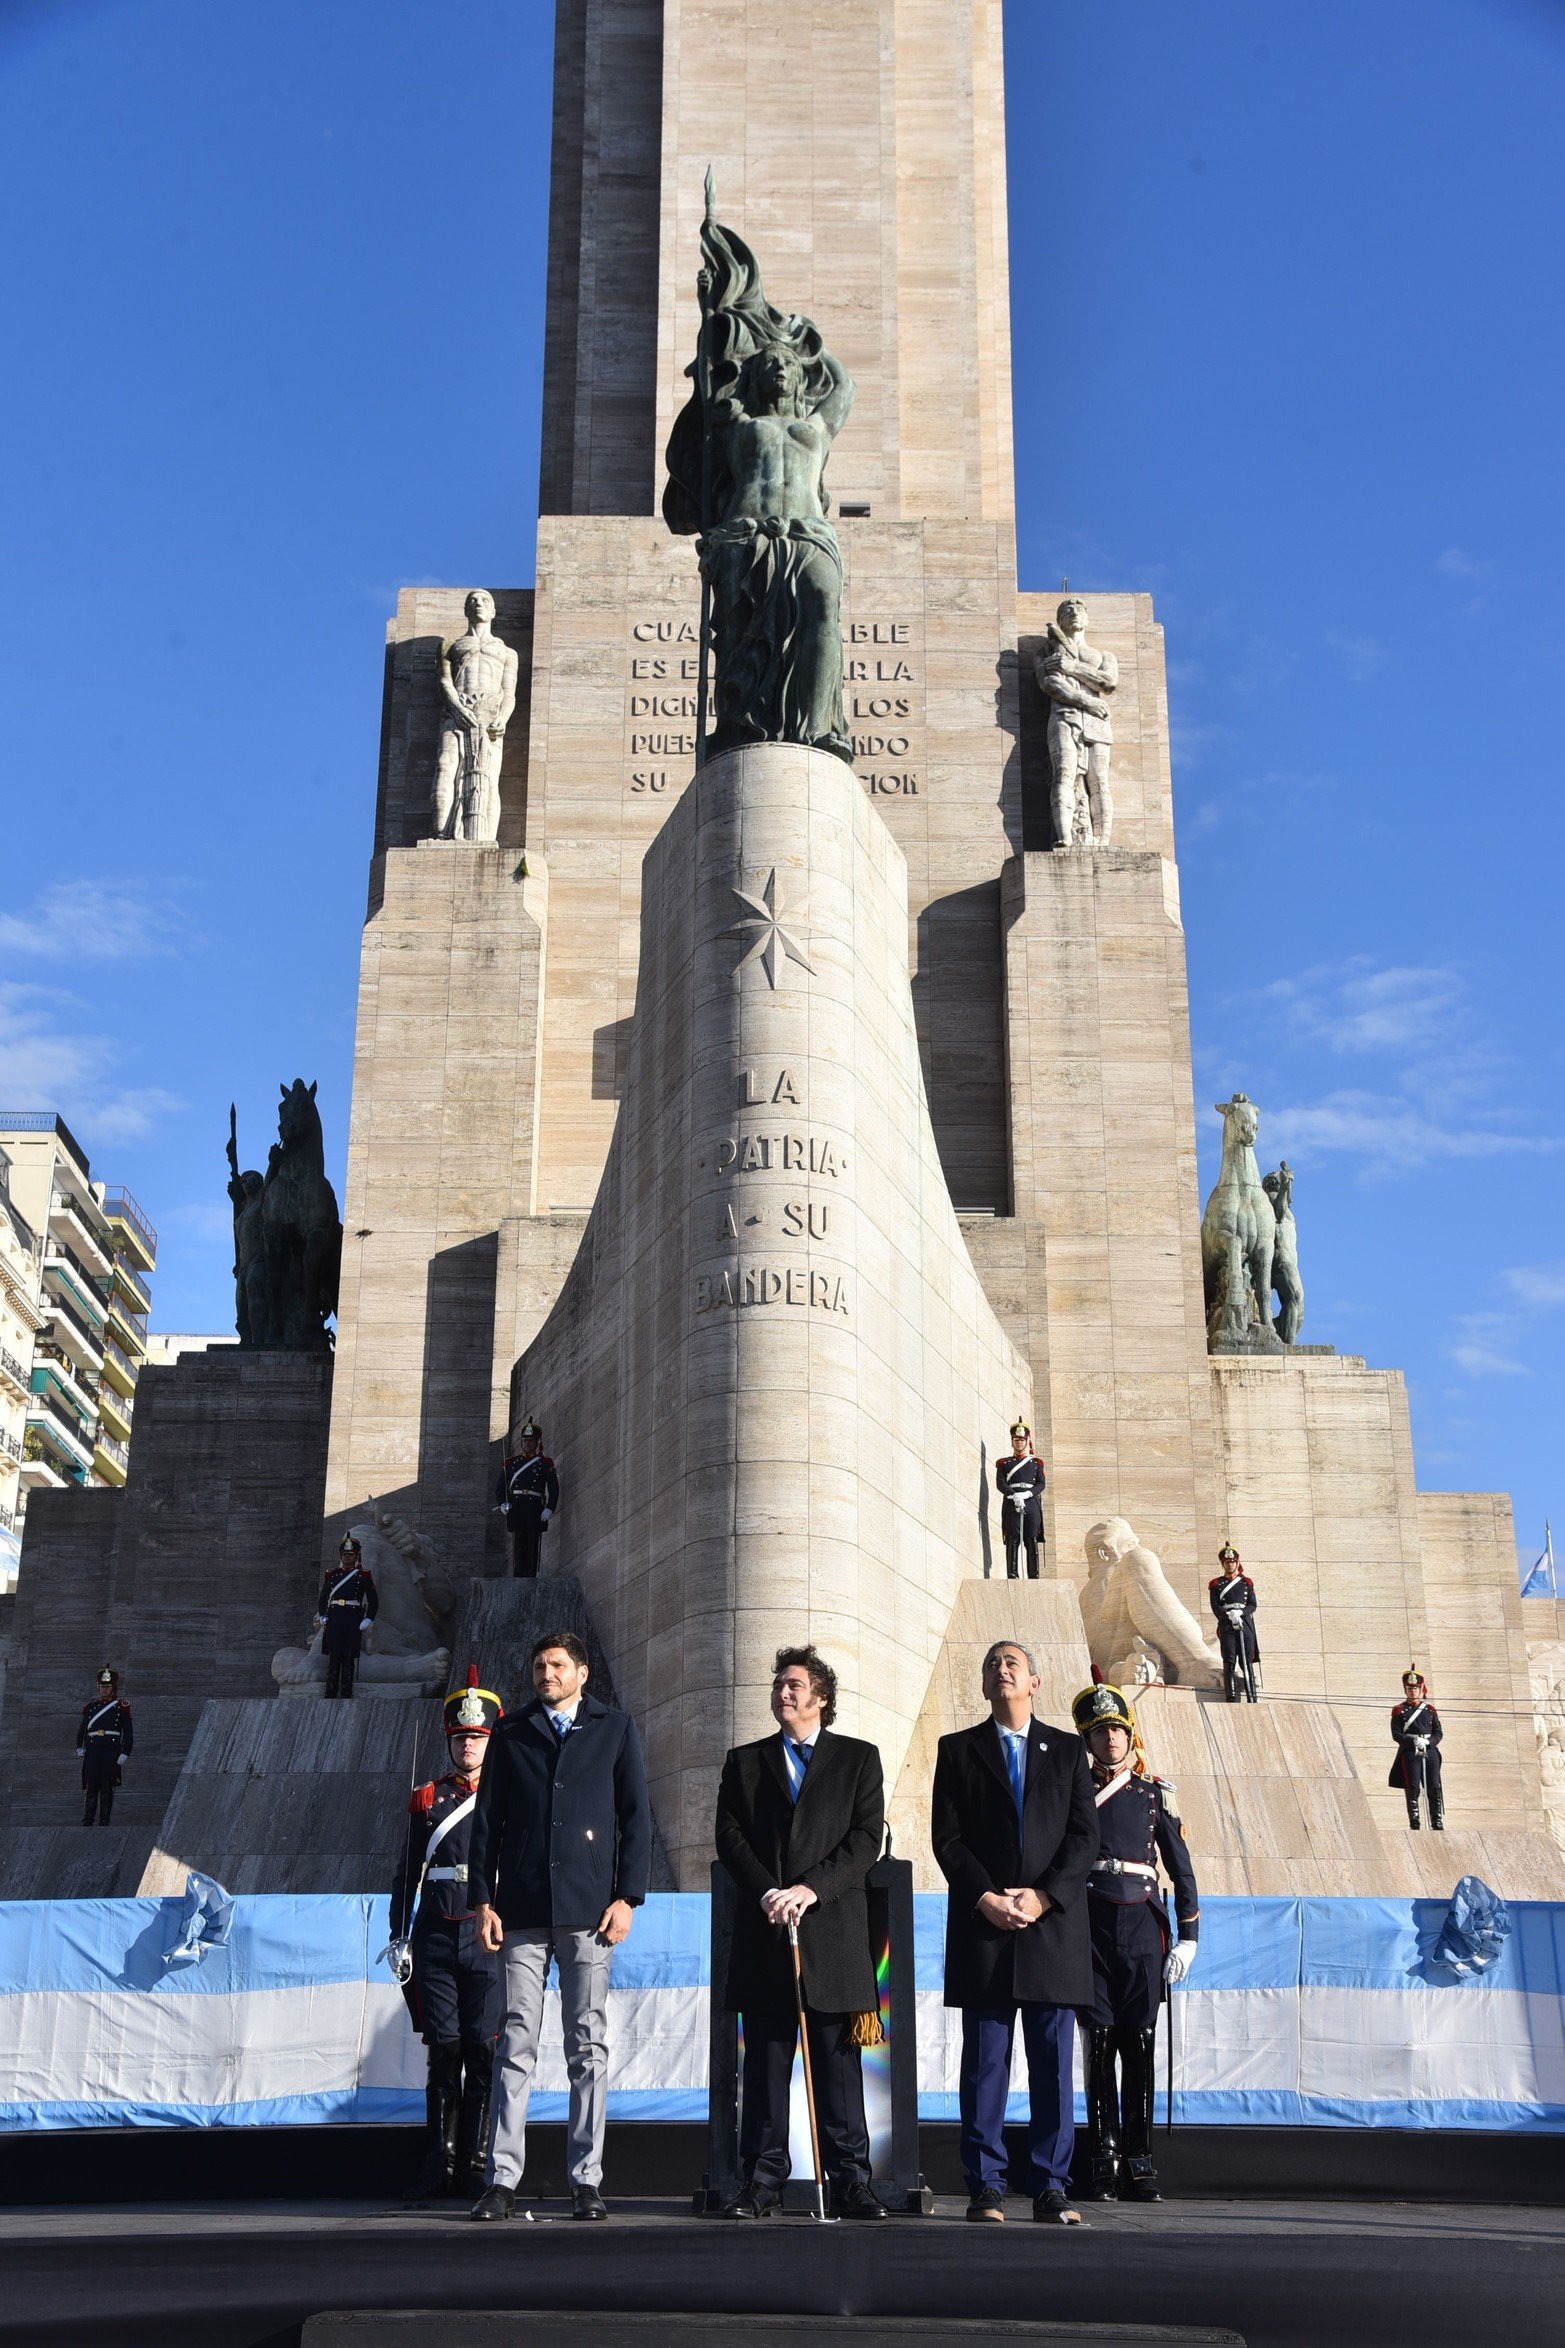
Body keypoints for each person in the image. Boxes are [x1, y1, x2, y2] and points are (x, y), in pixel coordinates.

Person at [467, 1630, 652, 2221]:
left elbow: (636, 1817)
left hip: (589, 1909)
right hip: (520, 1907)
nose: (546, 1674)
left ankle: (586, 2179)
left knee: (586, 2043)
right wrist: (482, 1901)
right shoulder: (512, 1730)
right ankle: (501, 2178)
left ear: (582, 1672)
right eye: (539, 1664)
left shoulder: (615, 1728)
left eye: (557, 1665)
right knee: (515, 2038)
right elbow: (486, 1821)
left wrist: (628, 1897)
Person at [713, 1645, 887, 2222]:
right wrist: (768, 1891)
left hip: (832, 1933)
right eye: (778, 1685)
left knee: (838, 2072)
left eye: (794, 1684)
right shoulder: (744, 1761)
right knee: (764, 2068)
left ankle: (850, 2181)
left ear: (821, 1697)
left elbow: (865, 1841)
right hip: (767, 1935)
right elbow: (730, 1837)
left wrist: (811, 1888)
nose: (782, 1693)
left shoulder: (858, 1759)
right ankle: (761, 2183)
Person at [931, 1638, 1099, 2225]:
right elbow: (946, 1839)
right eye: (992, 1666)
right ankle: (987, 2186)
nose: (1001, 1671)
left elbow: (1085, 1838)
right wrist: (985, 1897)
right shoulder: (957, 1750)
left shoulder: (1070, 1751)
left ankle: (1052, 2185)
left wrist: (1044, 1894)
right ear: (983, 1687)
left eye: (1013, 1664)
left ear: (1035, 1682)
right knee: (985, 2064)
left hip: (1051, 1927)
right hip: (986, 1927)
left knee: (1053, 2063)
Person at [1071, 1676, 1198, 2203]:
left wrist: (1188, 1936)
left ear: (1131, 1735)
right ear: (1088, 1739)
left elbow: (1181, 1870)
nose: (1111, 1740)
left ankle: (1140, 2159)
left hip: (1144, 1928)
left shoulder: (1153, 1795)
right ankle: (1104, 2156)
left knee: (1139, 2044)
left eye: (1118, 1730)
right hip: (1090, 1925)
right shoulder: (1073, 1791)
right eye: (1100, 1732)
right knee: (1098, 2044)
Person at [387, 1667, 505, 2202]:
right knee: (445, 2050)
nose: (468, 1747)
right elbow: (406, 1870)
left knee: (482, 2050)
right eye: (460, 1739)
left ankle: (478, 2164)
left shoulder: (507, 1797)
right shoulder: (425, 1798)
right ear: (450, 1742)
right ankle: (440, 2160)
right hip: (435, 1934)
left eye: (477, 1738)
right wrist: (397, 1933)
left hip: (488, 1936)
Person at [315, 1535, 379, 1699]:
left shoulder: (363, 1575)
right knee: (334, 1656)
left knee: (349, 1656)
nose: (347, 1557)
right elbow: (323, 1597)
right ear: (340, 1555)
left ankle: (346, 1692)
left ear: (356, 1555)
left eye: (350, 1554)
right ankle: (330, 1692)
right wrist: (323, 1614)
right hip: (335, 1618)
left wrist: (368, 1618)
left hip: (353, 1618)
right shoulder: (332, 1574)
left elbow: (373, 1600)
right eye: (344, 1554)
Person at [495, 1420, 559, 1581]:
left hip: (534, 1506)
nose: (527, 1444)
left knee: (532, 1540)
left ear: (538, 1442)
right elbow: (500, 1487)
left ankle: (530, 1575)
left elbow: (553, 1488)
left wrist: (550, 1508)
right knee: (518, 1540)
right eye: (525, 1440)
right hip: (516, 1506)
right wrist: (502, 1503)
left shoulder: (545, 1463)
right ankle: (518, 1574)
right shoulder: (511, 1463)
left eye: (531, 1441)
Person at [77, 1665, 132, 1826]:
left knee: (107, 1786)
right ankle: (88, 1820)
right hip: (93, 1750)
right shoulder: (91, 1707)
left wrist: (125, 1752)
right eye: (102, 1687)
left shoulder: (121, 1706)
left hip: (110, 1751)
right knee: (91, 1785)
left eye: (107, 1687)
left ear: (113, 1688)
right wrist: (79, 1746)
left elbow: (128, 1732)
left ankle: (104, 1821)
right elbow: (83, 1729)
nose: (104, 1690)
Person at [1390, 1667, 1444, 1830]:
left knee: (1433, 1786)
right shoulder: (1399, 1710)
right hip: (1410, 1752)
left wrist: (1428, 1742)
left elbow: (1438, 1733)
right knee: (1412, 1786)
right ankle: (1415, 1822)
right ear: (1405, 1689)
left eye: (1416, 1688)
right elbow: (1396, 1734)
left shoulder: (1430, 1710)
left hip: (1429, 1750)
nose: (1413, 1691)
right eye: (1410, 1688)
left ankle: (1437, 1821)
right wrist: (1413, 1742)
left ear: (1421, 1689)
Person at [1208, 1544, 1260, 1704]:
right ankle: (1230, 1696)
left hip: (1245, 1624)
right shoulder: (1216, 1584)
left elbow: (1252, 1605)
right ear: (1223, 1564)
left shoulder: (1247, 1583)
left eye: (1232, 1561)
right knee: (1229, 1659)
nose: (1230, 1564)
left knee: (1246, 1661)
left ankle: (1252, 1696)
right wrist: (1228, 1614)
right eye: (1227, 1562)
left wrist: (1241, 1613)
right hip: (1227, 1624)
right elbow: (1215, 1606)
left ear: (1237, 1563)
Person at [995, 1421, 1046, 1581]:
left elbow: (1041, 1484)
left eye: (1022, 1440)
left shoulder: (1036, 1463)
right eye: (1016, 1439)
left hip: (1030, 1502)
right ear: (1012, 1441)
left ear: (1027, 1441)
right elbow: (1001, 1483)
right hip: (1012, 1502)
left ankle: (1034, 1575)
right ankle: (1012, 1574)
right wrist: (1013, 1494)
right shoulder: (1004, 1463)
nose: (1019, 1442)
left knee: (1031, 1538)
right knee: (1013, 1538)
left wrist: (1027, 1494)